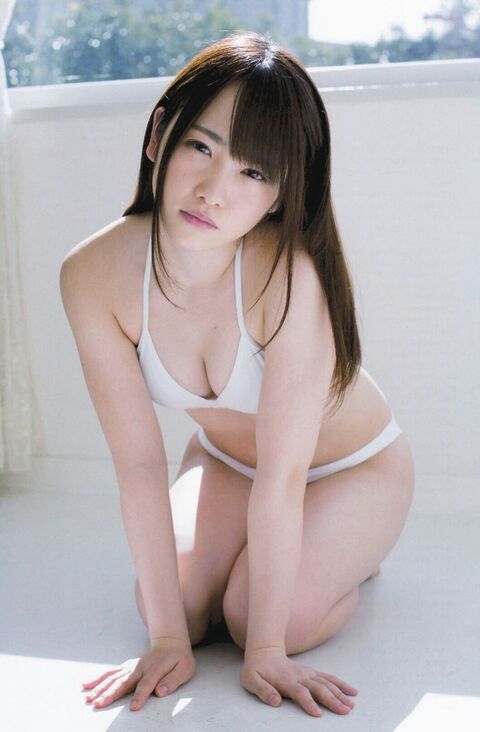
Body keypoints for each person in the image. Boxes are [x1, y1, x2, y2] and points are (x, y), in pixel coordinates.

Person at [60, 31, 415, 719]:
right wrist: (167, 639)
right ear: (159, 135)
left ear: (281, 194)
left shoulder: (288, 276)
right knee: (168, 606)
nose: (213, 191)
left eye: (253, 172)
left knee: (257, 618)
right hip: (227, 462)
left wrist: (267, 651)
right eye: (201, 146)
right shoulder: (92, 275)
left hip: (348, 468)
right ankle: (262, 564)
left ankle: (356, 554)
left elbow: (286, 474)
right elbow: (139, 465)